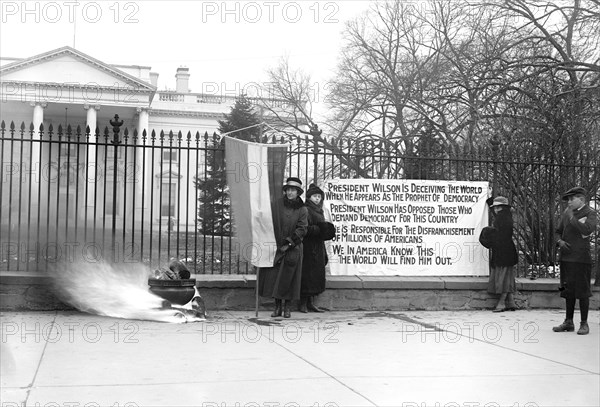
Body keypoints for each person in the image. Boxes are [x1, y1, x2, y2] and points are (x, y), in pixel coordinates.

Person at [259, 177, 308, 318]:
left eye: (293, 190)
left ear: (298, 192)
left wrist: (290, 243)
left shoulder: (302, 209)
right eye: (288, 190)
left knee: (289, 278)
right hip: (277, 247)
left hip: (293, 248)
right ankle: (277, 307)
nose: (290, 193)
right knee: (275, 278)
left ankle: (287, 307)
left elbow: (302, 229)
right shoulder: (276, 205)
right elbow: (269, 221)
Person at [553, 187, 597, 335]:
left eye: (572, 199)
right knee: (568, 291)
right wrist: (559, 242)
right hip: (566, 258)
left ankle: (584, 323)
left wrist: (572, 218)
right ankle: (568, 321)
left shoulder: (590, 213)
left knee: (583, 292)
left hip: (581, 259)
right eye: (568, 200)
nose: (569, 202)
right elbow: (557, 231)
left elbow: (587, 230)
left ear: (581, 199)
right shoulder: (566, 213)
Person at [299, 184, 331, 313]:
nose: (317, 199)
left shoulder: (319, 210)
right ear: (309, 197)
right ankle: (302, 303)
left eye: (319, 196)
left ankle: (311, 303)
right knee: (307, 275)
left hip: (318, 246)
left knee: (315, 275)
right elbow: (304, 228)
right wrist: (319, 229)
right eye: (315, 196)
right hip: (308, 246)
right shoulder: (306, 209)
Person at [486, 196, 519, 312]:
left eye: (495, 207)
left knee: (503, 277)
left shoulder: (502, 218)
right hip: (507, 250)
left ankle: (502, 303)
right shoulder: (505, 216)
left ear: (500, 207)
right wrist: (489, 200)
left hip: (502, 251)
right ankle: (511, 302)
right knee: (508, 276)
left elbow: (500, 234)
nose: (494, 209)